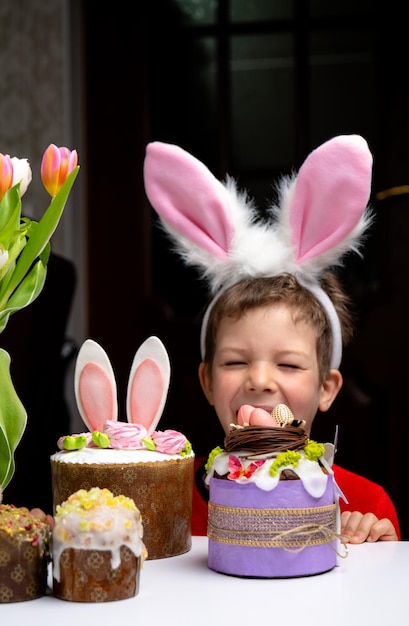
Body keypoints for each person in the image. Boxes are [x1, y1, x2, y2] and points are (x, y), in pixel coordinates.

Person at [143, 134, 401, 543]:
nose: (259, 380)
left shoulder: (365, 505)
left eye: (288, 364)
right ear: (207, 381)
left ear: (327, 388)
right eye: (235, 362)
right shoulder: (162, 504)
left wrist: (375, 552)